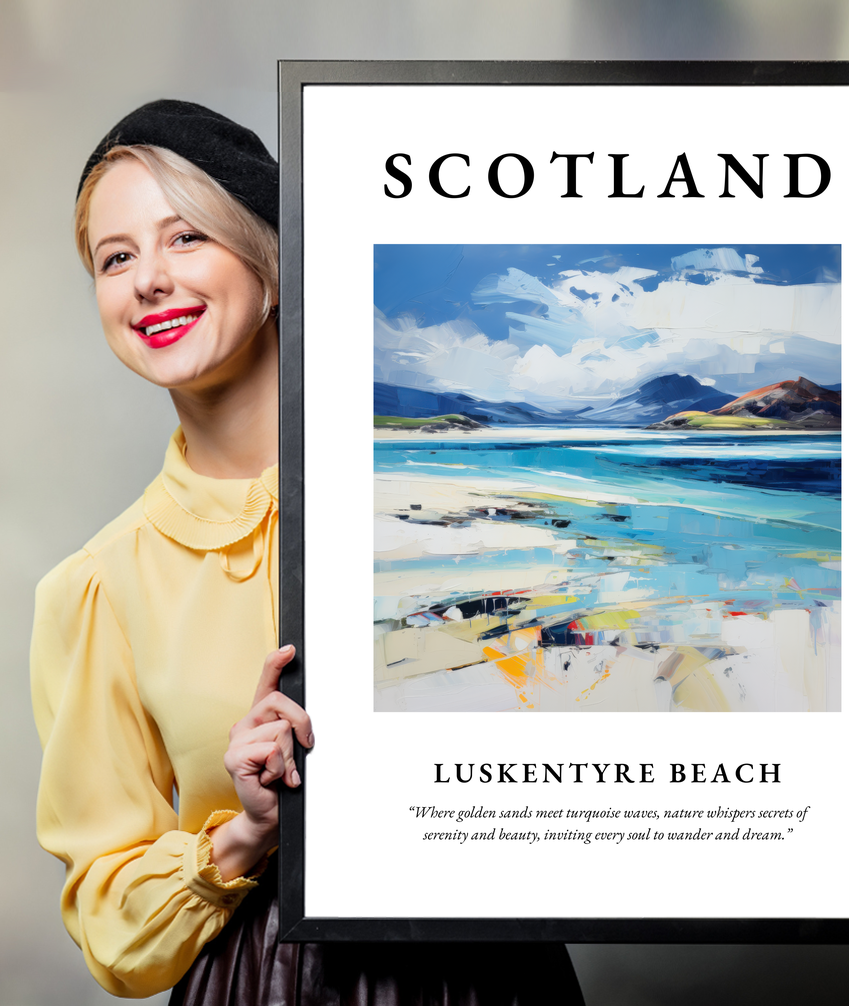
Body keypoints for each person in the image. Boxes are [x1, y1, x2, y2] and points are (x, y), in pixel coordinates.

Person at [30, 100, 585, 1004]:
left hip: (493, 973)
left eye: (186, 239)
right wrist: (245, 832)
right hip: (262, 982)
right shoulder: (97, 587)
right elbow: (110, 925)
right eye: (116, 257)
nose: (148, 281)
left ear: (273, 264)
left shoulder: (455, 504)